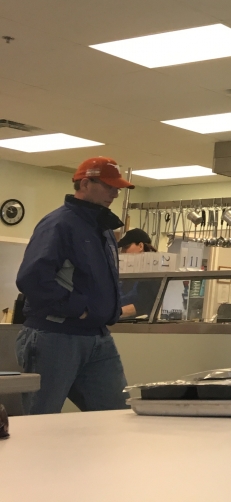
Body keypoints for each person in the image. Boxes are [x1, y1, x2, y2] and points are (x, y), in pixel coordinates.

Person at [14, 157, 134, 413]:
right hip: (55, 337)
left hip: (98, 338)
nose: (115, 193)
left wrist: (108, 309)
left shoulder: (103, 230)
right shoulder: (59, 224)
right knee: (41, 421)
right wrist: (79, 308)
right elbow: (32, 279)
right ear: (85, 183)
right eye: (108, 186)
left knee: (119, 415)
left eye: (117, 188)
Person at [117, 229, 158, 319]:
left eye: (126, 247)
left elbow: (143, 305)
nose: (122, 252)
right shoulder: (124, 274)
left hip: (139, 328)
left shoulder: (151, 275)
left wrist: (116, 313)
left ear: (140, 246)